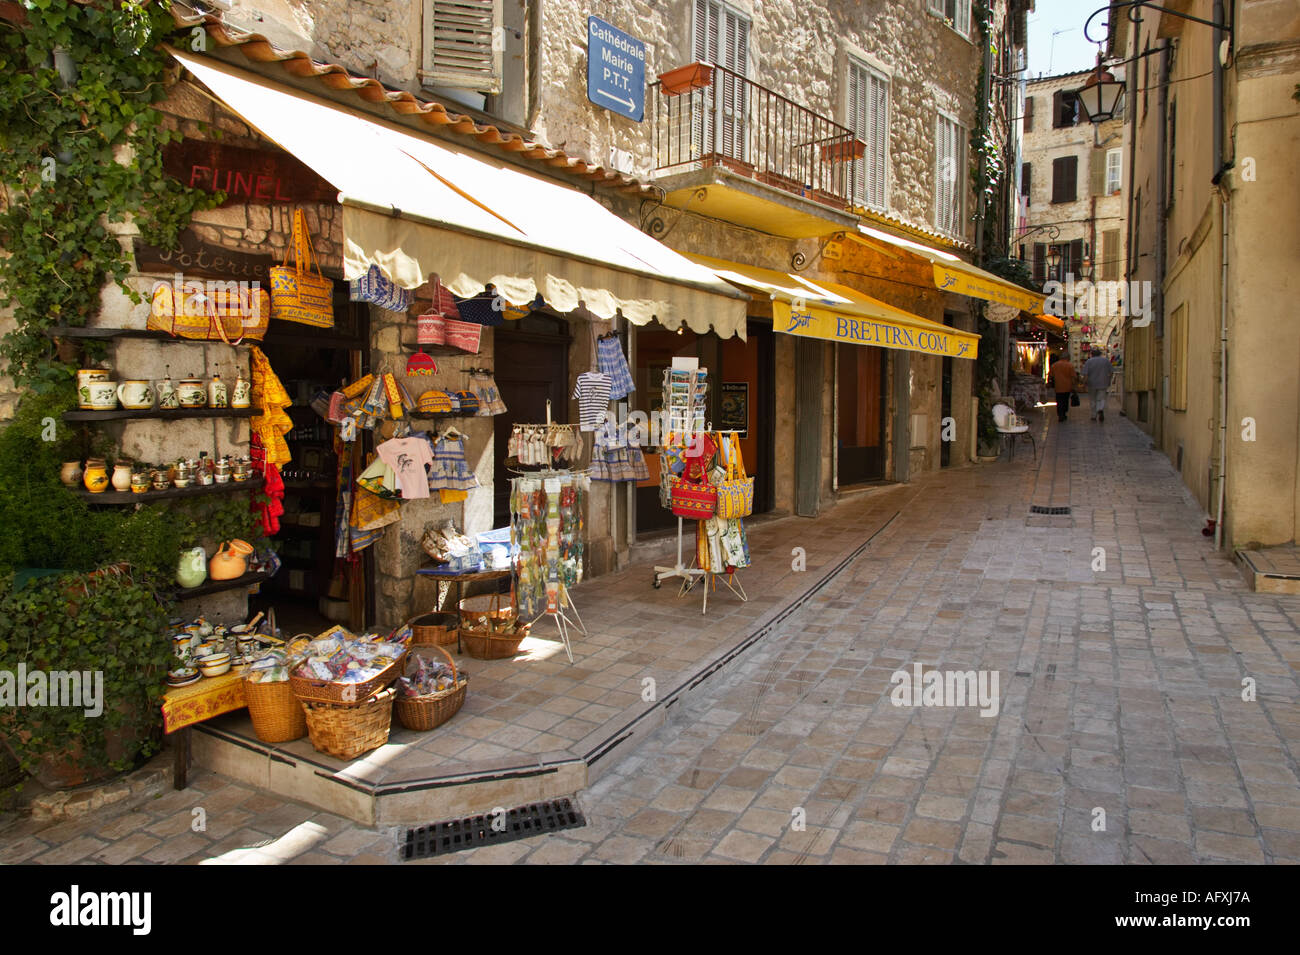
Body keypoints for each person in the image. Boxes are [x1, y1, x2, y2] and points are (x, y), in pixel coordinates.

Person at [1082, 347, 1114, 422]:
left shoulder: (1089, 362)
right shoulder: (1106, 361)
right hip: (1103, 382)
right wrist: (1109, 379)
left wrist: (1084, 383)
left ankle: (1093, 415)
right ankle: (1100, 409)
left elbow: (1086, 374)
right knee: (1101, 398)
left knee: (1092, 399)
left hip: (1092, 383)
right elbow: (1111, 372)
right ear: (1100, 354)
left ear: (1092, 354)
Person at [1048, 353, 1077, 423]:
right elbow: (1073, 377)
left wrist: (1049, 383)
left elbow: (1050, 376)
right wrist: (1074, 386)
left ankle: (1060, 414)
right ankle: (1063, 413)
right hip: (1067, 386)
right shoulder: (1070, 365)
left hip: (1058, 386)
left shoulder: (1054, 365)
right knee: (1065, 400)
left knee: (1059, 400)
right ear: (1067, 357)